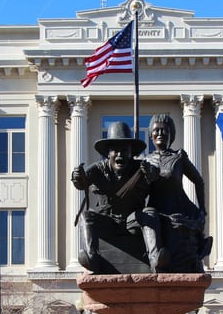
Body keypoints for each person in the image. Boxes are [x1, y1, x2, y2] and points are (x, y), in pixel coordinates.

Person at [71, 121, 161, 273]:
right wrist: (76, 176)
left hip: (132, 222)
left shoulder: (140, 168)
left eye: (124, 150)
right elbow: (81, 183)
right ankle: (92, 258)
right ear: (108, 153)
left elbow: (154, 176)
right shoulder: (98, 168)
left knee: (150, 213)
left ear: (131, 153)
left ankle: (155, 259)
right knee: (86, 216)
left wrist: (150, 172)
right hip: (108, 223)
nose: (120, 154)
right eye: (115, 150)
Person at [143, 114, 212, 272]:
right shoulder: (145, 161)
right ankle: (156, 259)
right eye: (156, 130)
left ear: (171, 135)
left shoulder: (179, 157)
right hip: (156, 210)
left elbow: (198, 181)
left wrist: (202, 209)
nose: (160, 133)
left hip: (179, 208)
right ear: (151, 136)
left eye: (164, 131)